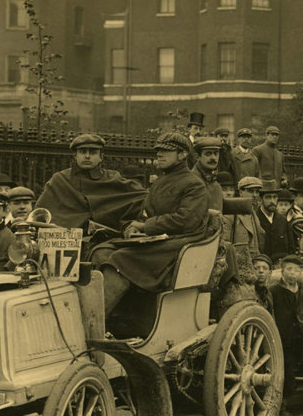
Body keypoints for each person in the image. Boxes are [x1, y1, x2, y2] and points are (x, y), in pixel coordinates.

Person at [93, 132, 209, 316]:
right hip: (158, 239)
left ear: (182, 155)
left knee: (120, 259)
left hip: (179, 243)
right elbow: (146, 213)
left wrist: (145, 227)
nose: (159, 155)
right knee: (101, 252)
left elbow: (186, 220)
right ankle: (117, 318)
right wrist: (133, 227)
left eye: (166, 151)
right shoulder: (161, 181)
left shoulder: (194, 184)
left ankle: (94, 322)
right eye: (158, 151)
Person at [36, 134, 146, 237]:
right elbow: (40, 213)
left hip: (105, 239)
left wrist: (133, 224)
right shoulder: (60, 180)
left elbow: (143, 197)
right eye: (83, 152)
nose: (87, 156)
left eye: (93, 152)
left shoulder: (113, 178)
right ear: (75, 156)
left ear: (101, 157)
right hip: (64, 239)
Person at [270, 254, 303, 416]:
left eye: (296, 270)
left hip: (295, 335)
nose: (292, 273)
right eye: (289, 269)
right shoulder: (276, 291)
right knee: (277, 371)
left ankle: (284, 406)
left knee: (290, 371)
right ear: (282, 271)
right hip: (280, 335)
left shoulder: (301, 290)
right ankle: (274, 409)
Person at [256, 180, 296, 263]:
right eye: (268, 197)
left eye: (275, 197)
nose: (272, 201)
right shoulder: (255, 218)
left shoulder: (283, 220)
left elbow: (291, 248)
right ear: (260, 199)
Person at [191, 136, 224, 212]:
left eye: (216, 154)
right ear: (197, 156)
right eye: (208, 154)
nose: (213, 158)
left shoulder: (214, 182)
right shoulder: (192, 182)